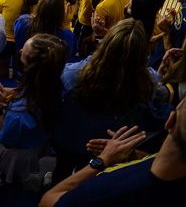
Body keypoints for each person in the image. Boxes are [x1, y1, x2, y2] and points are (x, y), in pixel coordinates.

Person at [41, 76, 186, 207]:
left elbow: (48, 201)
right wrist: (132, 156)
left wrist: (101, 161)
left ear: (170, 120)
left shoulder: (109, 190)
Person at [52, 19, 154, 182]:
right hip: (108, 149)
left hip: (70, 140)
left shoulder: (71, 75)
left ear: (106, 45)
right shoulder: (150, 83)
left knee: (61, 172)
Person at [0, 34, 67, 189]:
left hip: (15, 153)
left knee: (10, 175)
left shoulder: (17, 117)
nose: (20, 50)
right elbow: (28, 92)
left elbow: (6, 138)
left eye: (23, 54)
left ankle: (7, 183)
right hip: (34, 145)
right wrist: (8, 95)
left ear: (31, 68)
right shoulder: (57, 84)